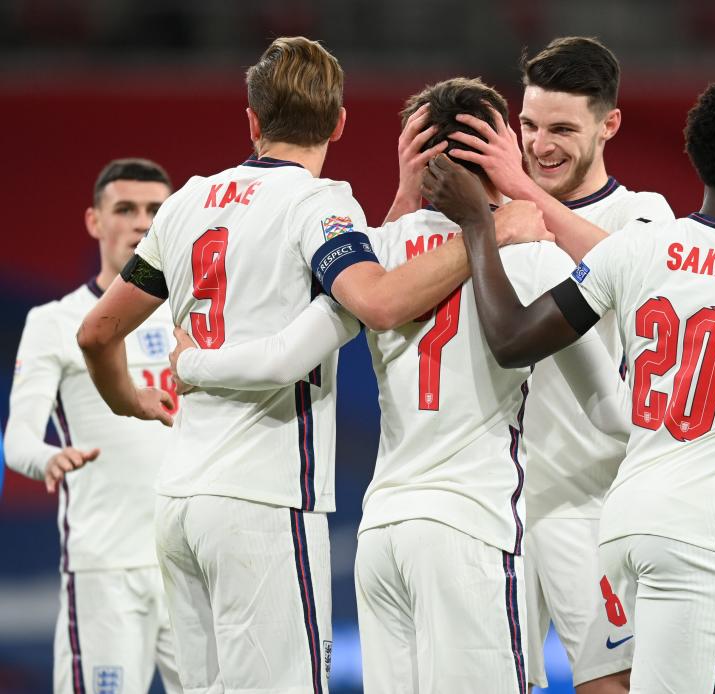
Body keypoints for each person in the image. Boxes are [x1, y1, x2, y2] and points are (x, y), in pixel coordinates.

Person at [76, 39, 545, 693]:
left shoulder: (185, 203)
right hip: (264, 501)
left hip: (178, 500)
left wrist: (127, 397)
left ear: (252, 120)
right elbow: (378, 300)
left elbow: (98, 332)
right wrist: (485, 229)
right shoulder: (319, 204)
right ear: (339, 123)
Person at [165, 77, 630, 694]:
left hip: (381, 537)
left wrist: (191, 365)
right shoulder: (532, 257)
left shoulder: (375, 258)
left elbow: (282, 358)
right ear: (503, 155)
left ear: (420, 158)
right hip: (473, 530)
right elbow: (610, 411)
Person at [423, 76, 715, 693]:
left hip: (623, 524)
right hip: (704, 538)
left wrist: (480, 227)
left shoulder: (640, 248)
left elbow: (511, 338)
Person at [385, 40, 674, 693]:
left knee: (615, 683)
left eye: (563, 130)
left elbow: (643, 282)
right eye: (530, 126)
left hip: (586, 502)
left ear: (610, 125)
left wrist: (518, 190)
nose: (541, 145)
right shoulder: (481, 225)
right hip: (491, 505)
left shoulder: (642, 213)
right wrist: (410, 197)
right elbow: (382, 291)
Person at [4, 158, 181, 694]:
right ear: (94, 222)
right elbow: (17, 439)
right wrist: (48, 458)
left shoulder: (196, 316)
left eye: (155, 210)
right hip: (105, 566)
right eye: (125, 209)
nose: (141, 223)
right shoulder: (54, 322)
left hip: (192, 560)